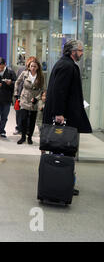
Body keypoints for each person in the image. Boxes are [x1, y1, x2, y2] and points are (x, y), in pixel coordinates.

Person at [43, 39, 92, 196]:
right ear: (73, 51)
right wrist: (59, 113)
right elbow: (59, 91)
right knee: (64, 149)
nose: (82, 53)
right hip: (64, 116)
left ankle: (64, 181)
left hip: (66, 114)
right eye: (80, 50)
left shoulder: (66, 64)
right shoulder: (67, 66)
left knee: (63, 149)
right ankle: (61, 182)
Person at [14, 59, 44, 145]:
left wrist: (37, 98)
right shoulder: (24, 74)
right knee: (23, 119)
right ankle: (23, 136)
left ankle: (29, 137)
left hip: (34, 99)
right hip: (24, 98)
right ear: (29, 67)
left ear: (38, 67)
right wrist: (16, 93)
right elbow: (17, 82)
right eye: (31, 66)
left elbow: (43, 89)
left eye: (35, 66)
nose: (33, 68)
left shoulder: (41, 76)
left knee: (32, 120)